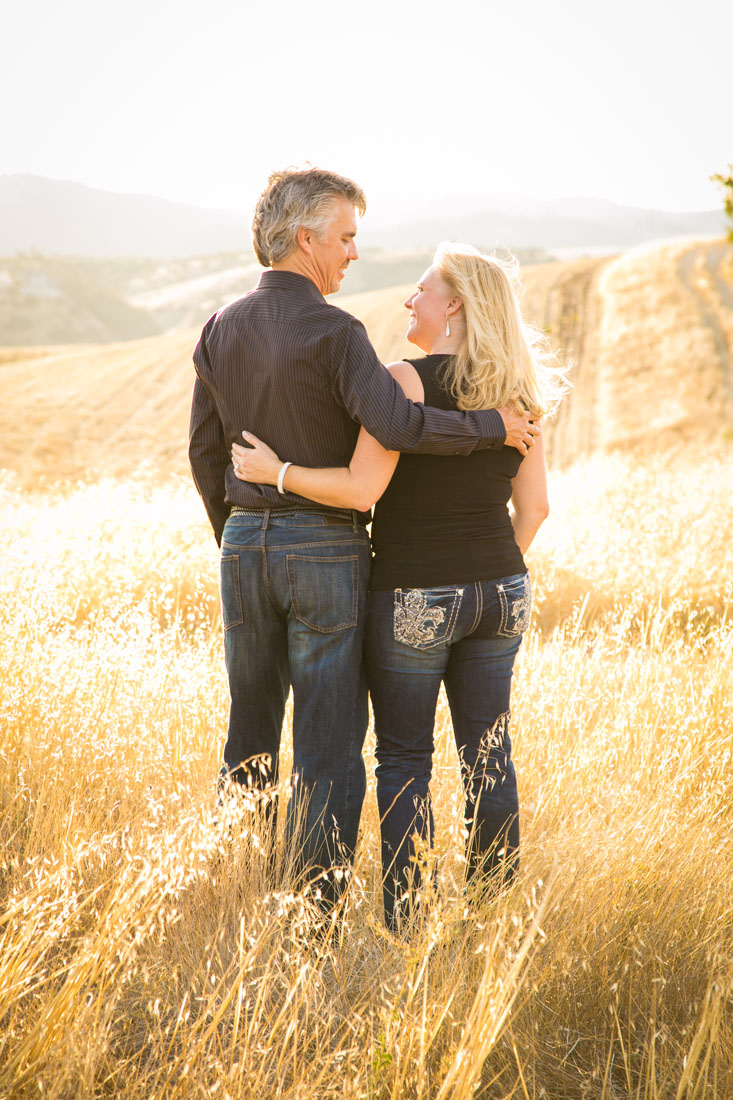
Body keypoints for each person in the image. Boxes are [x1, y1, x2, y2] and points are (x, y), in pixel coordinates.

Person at [188, 168, 539, 910]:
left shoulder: (217, 326)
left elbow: (202, 452)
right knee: (333, 743)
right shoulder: (339, 332)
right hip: (340, 551)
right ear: (306, 237)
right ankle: (320, 912)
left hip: (248, 542)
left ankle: (252, 894)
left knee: (251, 729)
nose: (353, 253)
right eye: (345, 237)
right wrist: (490, 428)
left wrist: (245, 533)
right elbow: (401, 431)